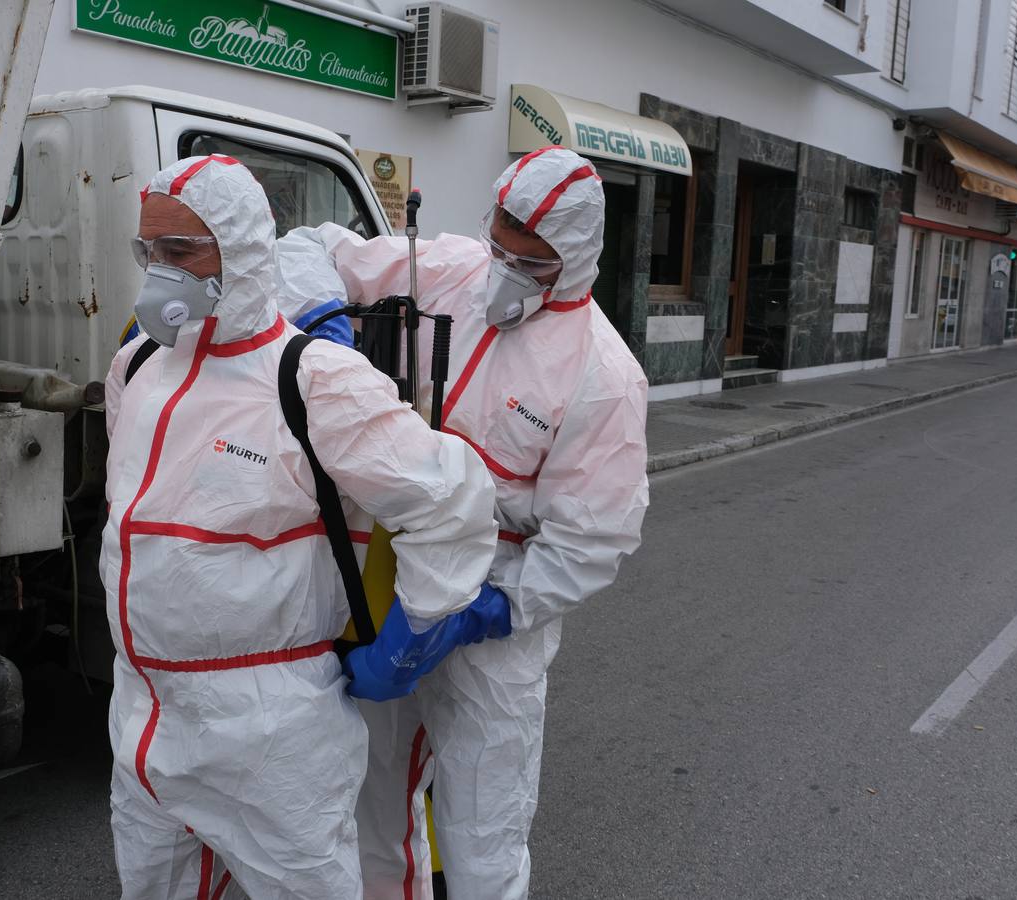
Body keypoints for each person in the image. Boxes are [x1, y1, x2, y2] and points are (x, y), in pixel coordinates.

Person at [100, 154, 500, 900]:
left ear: (244, 251)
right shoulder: (137, 368)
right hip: (146, 720)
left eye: (180, 251)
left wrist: (412, 629)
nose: (159, 270)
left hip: (270, 731)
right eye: (147, 250)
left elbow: (449, 500)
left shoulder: (313, 379)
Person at [288, 146, 650, 899]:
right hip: (383, 579)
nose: (507, 272)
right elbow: (311, 247)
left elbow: (594, 538)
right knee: (372, 804)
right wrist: (324, 317)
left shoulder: (603, 377)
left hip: (491, 622)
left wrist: (490, 611)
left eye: (534, 263)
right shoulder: (446, 269)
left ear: (578, 259)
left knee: (484, 835)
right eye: (501, 247)